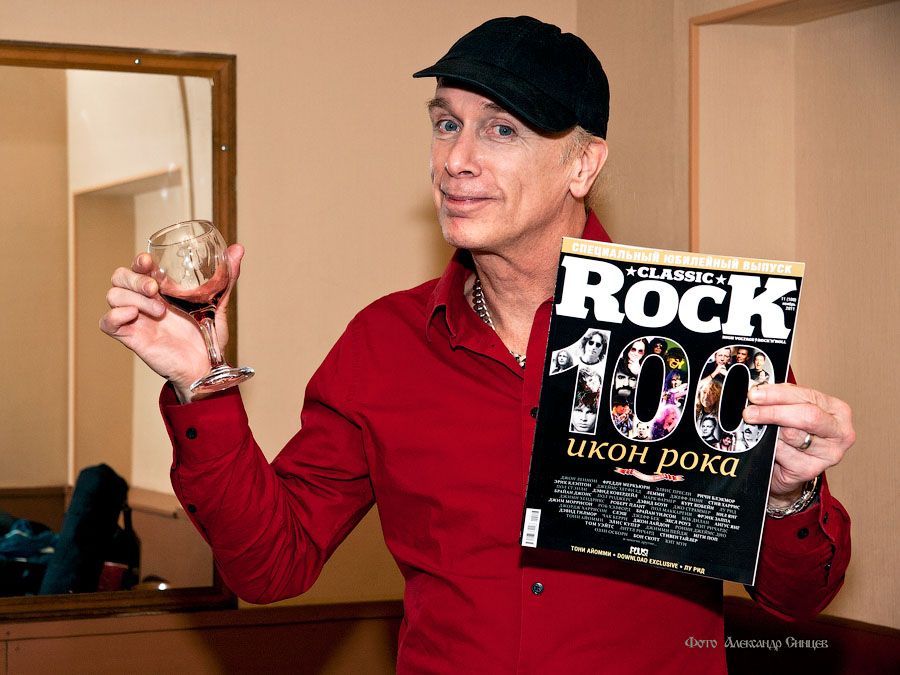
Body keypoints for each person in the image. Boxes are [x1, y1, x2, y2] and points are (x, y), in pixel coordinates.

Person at [100, 16, 854, 674]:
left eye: (501, 130)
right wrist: (199, 381)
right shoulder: (383, 345)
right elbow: (272, 565)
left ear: (583, 164)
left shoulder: (703, 333)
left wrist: (789, 495)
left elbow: (797, 597)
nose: (456, 158)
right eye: (445, 123)